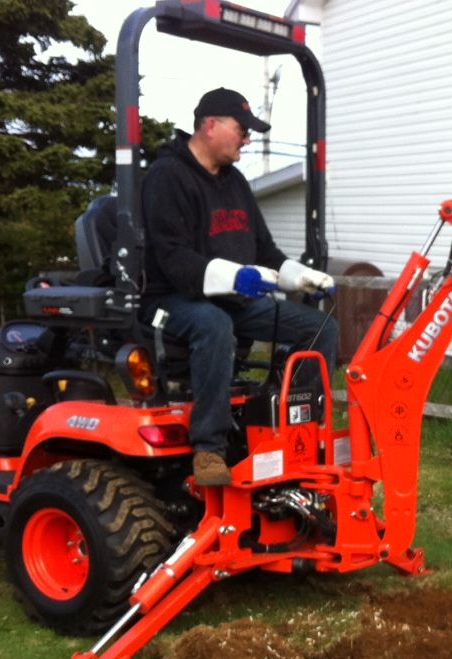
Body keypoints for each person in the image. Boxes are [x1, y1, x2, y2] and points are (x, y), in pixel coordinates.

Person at [142, 87, 338, 487]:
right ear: (210, 126)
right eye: (241, 129)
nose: (248, 139)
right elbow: (174, 258)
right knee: (214, 325)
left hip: (233, 300)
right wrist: (233, 276)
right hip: (172, 300)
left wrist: (298, 276)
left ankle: (299, 429)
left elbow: (263, 251)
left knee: (321, 328)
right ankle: (209, 450)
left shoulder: (234, 184)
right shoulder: (167, 177)